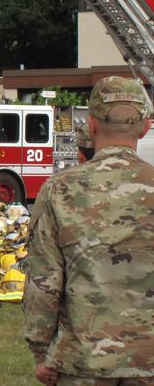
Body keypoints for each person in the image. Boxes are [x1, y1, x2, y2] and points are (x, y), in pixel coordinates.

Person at [25, 76, 154, 386]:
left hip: (81, 359)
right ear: (146, 127)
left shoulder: (59, 189)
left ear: (92, 124)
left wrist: (41, 350)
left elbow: (44, 282)